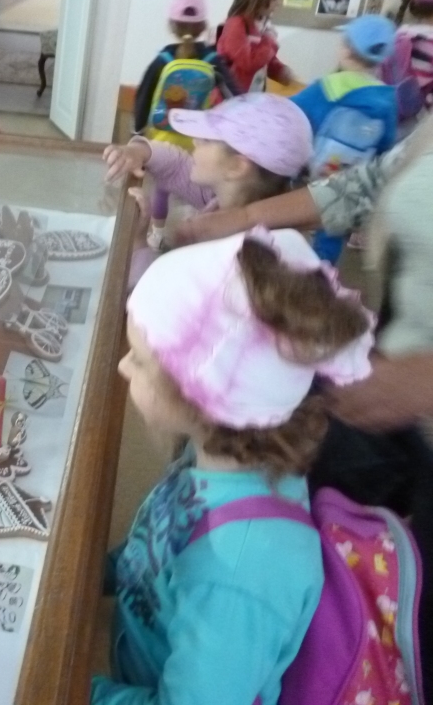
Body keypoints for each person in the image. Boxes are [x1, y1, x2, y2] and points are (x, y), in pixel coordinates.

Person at [168, 117, 433, 695]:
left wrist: (426, 378)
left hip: (411, 393)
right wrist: (241, 217)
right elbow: (366, 183)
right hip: (382, 382)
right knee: (339, 580)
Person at [94, 227, 375, 704]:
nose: (123, 366)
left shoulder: (238, 571)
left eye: (138, 360)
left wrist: (75, 690)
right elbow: (156, 541)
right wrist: (94, 574)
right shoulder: (216, 459)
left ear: (202, 399)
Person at [103, 93, 312, 275]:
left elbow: (160, 293)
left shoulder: (239, 255)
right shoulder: (224, 195)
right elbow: (176, 165)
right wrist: (139, 152)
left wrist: (137, 243)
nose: (195, 141)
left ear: (237, 167)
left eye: (207, 140)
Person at [133, 0, 241, 244]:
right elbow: (235, 93)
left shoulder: (163, 60)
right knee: (198, 183)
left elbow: (144, 95)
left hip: (163, 134)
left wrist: (138, 129)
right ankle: (196, 230)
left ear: (172, 26)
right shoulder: (212, 59)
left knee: (162, 187)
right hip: (196, 136)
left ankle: (157, 235)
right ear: (204, 26)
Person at [291, 14, 397, 262]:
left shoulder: (325, 88)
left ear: (346, 50)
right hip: (351, 178)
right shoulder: (387, 98)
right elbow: (387, 142)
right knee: (334, 226)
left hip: (312, 171)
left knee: (292, 213)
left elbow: (289, 113)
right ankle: (323, 269)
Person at [218, 0, 293, 93]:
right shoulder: (235, 25)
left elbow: (264, 59)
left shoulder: (259, 25)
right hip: (230, 98)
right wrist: (269, 40)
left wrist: (279, 70)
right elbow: (248, 63)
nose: (278, 3)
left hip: (251, 96)